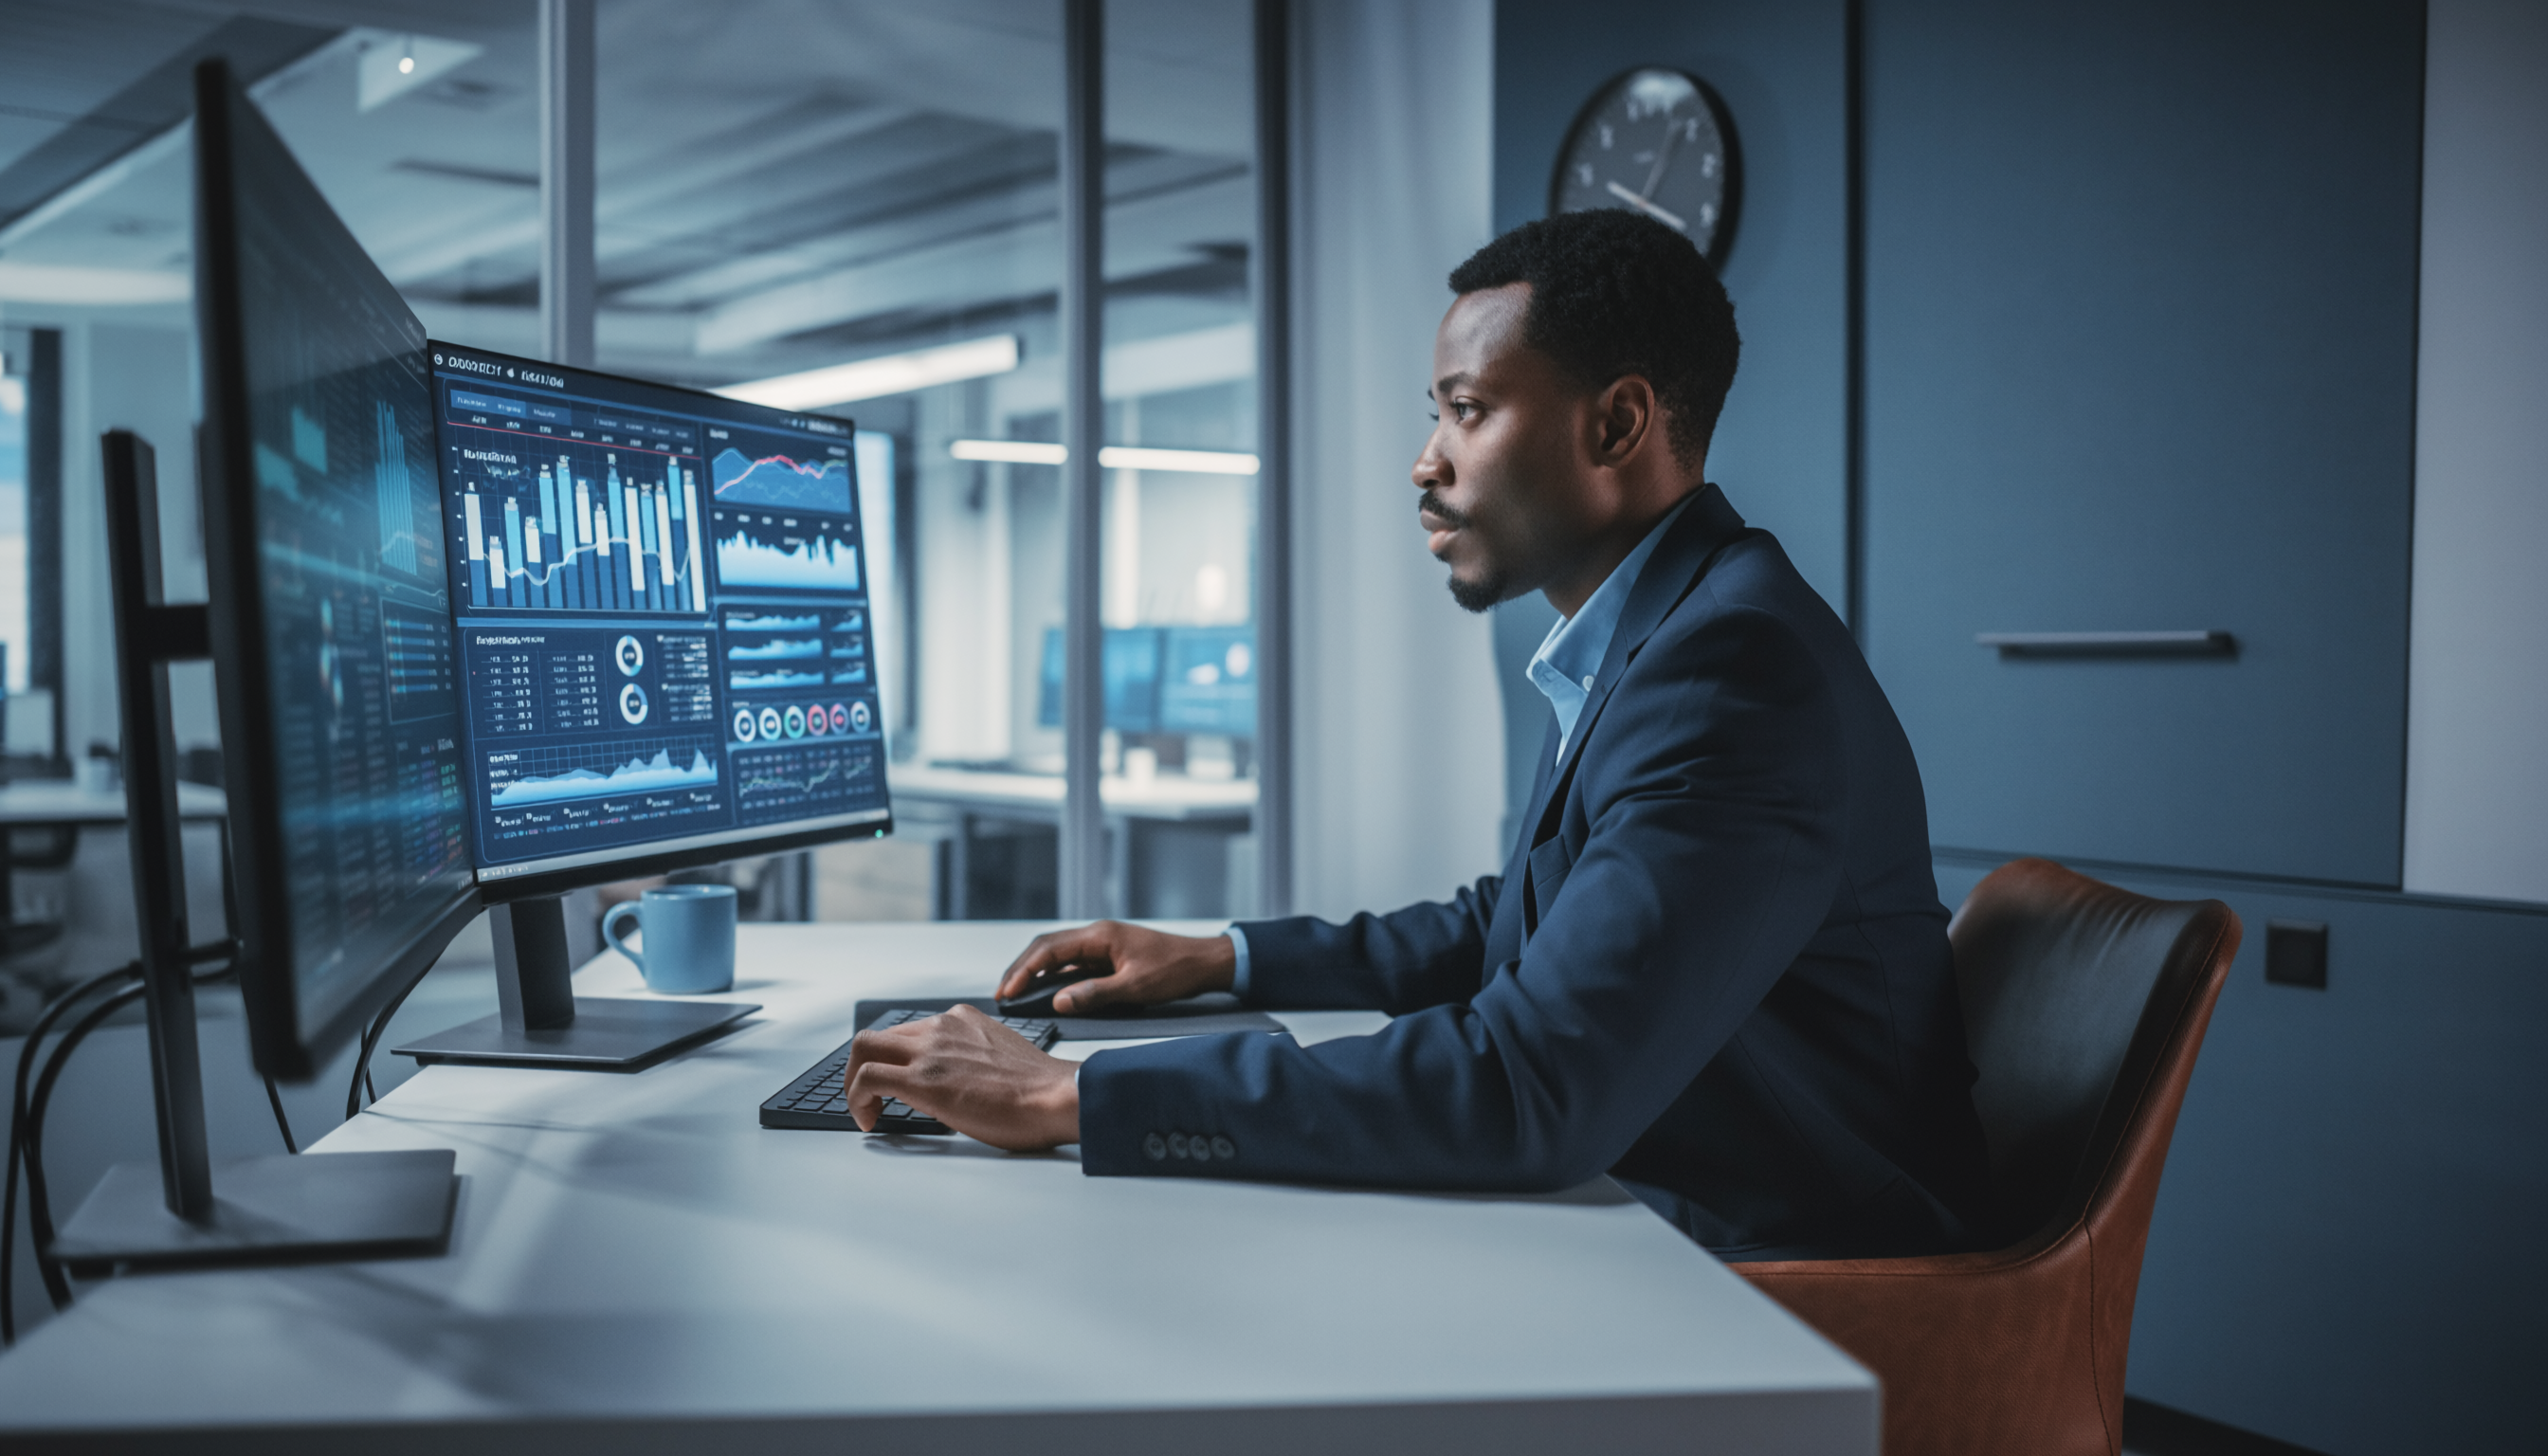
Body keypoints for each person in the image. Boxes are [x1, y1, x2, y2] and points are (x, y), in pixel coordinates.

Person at [845, 209, 1991, 1261]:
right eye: (1435, 413)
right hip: (1673, 1205)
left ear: (1617, 423)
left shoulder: (1730, 668)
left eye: (1467, 410)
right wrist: (1220, 958)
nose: (1427, 459)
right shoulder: (1670, 631)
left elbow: (1532, 1085)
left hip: (1802, 1278)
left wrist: (1071, 1097)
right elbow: (1524, 922)